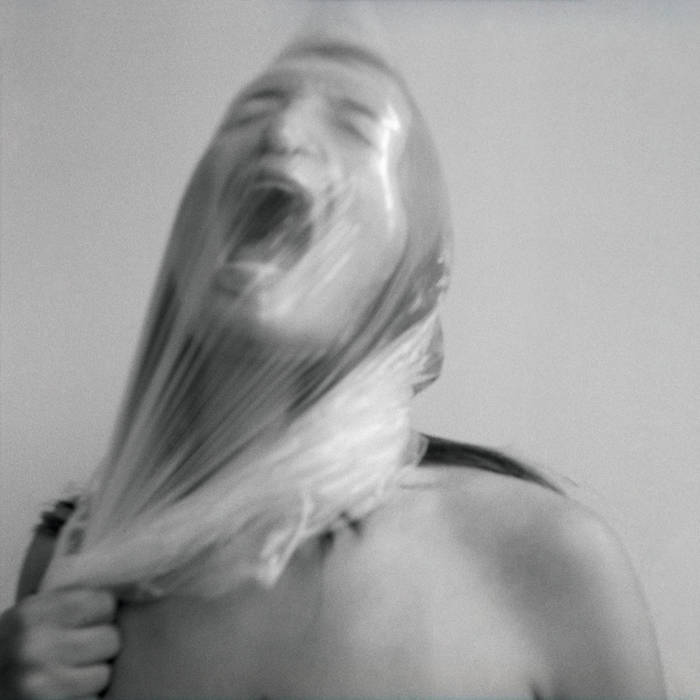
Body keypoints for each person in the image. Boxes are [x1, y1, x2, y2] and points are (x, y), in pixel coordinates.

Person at [2, 36, 665, 699]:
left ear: (412, 286)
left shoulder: (540, 558)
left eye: (354, 127)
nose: (283, 132)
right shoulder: (78, 565)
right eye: (251, 113)